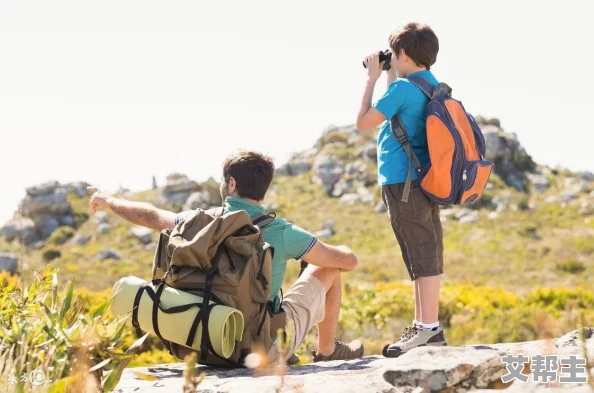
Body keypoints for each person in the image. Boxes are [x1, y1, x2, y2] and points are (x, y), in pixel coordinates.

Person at [88, 149, 364, 364]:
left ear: (231, 184)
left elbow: (149, 215)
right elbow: (347, 262)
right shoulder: (281, 231)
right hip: (258, 352)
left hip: (206, 341)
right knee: (327, 269)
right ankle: (327, 351)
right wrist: (344, 251)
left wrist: (111, 202)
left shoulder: (195, 222)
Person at [355, 22, 446, 357]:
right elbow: (399, 115)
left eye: (392, 54)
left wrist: (372, 78)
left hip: (402, 182)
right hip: (424, 181)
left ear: (403, 54)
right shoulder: (429, 84)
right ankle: (424, 325)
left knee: (419, 252)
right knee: (423, 250)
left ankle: (428, 328)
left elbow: (363, 121)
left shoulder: (402, 90)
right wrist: (391, 74)